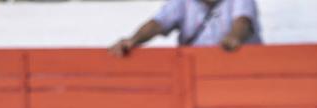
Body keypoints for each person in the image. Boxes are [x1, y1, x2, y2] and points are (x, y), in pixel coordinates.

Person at [109, 0, 262, 57]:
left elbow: (243, 21)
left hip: (235, 66)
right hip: (197, 69)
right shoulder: (182, 2)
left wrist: (234, 37)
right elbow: (157, 23)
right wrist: (133, 40)